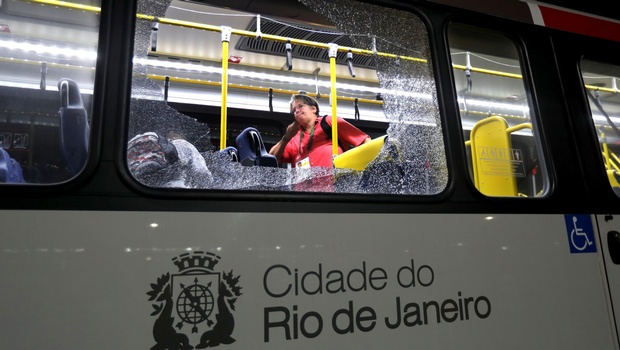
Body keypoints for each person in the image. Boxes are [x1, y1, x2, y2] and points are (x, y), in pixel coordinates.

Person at [269, 94, 370, 168]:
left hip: (335, 188)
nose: (297, 111)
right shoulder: (294, 137)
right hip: (305, 193)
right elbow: (272, 158)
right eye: (294, 110)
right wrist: (287, 137)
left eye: (300, 106)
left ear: (313, 109)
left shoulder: (329, 122)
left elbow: (365, 141)